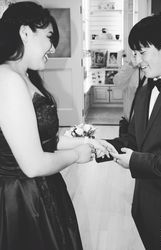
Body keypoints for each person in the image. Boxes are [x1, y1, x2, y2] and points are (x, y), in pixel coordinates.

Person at [0, 2, 110, 250]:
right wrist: (75, 156)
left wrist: (87, 142)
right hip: (22, 200)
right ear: (25, 32)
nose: (52, 47)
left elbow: (42, 140)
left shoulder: (24, 77)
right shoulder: (7, 79)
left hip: (42, 192)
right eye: (49, 37)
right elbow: (33, 164)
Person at [98, 15, 161, 250]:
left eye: (142, 52)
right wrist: (97, 147)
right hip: (144, 206)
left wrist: (135, 161)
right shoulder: (145, 89)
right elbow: (134, 139)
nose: (137, 60)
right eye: (135, 52)